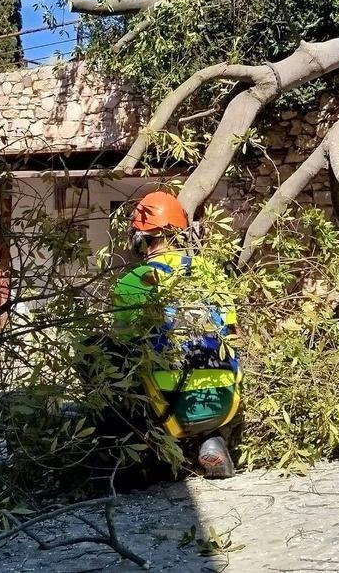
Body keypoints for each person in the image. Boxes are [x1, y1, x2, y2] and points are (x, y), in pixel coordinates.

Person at [111, 190, 240, 478]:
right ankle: (211, 441)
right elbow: (234, 334)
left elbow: (122, 342)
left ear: (139, 238)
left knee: (104, 357)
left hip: (166, 405)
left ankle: (143, 454)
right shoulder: (210, 272)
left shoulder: (133, 282)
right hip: (223, 400)